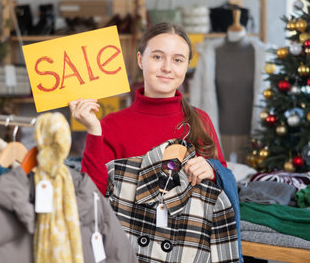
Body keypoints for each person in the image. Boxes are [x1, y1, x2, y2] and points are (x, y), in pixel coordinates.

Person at [69, 22, 227, 195]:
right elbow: (94, 196)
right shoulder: (110, 125)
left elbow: (224, 183)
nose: (167, 68)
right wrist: (93, 130)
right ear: (140, 60)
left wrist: (213, 171)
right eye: (157, 57)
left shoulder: (200, 120)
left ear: (186, 65)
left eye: (177, 60)